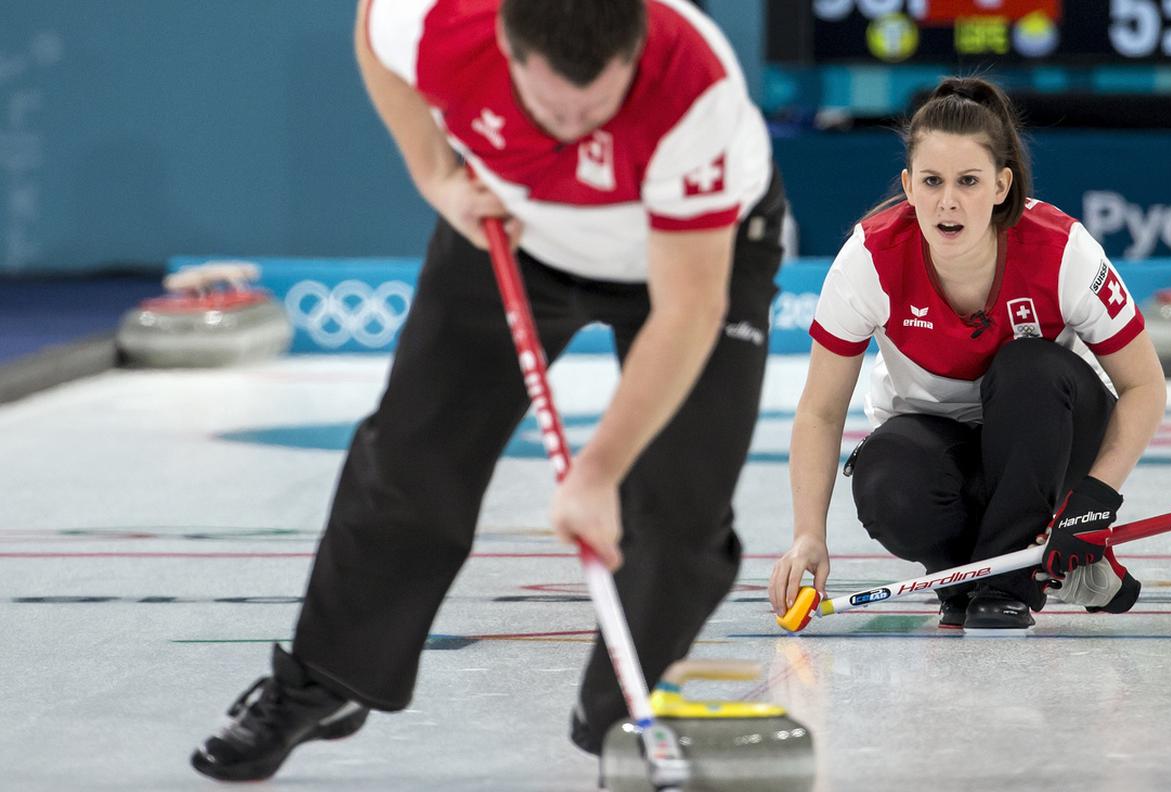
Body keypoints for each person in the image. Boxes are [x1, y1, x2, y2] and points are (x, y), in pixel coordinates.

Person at [191, 0, 786, 781]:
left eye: (595, 107)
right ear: (506, 44)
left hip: (685, 261)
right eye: (549, 107)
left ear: (635, 48)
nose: (572, 128)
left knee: (680, 509)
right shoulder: (440, 20)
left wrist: (596, 473)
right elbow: (374, 34)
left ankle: (618, 722)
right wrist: (437, 178)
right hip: (511, 228)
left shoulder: (693, 84)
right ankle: (327, 684)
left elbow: (688, 309)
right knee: (411, 457)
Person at [768, 76, 1166, 633]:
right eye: (931, 181)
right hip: (942, 449)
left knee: (1027, 365)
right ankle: (972, 576)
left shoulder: (1063, 249)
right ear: (908, 187)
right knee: (886, 483)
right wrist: (809, 534)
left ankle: (1006, 585)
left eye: (969, 181)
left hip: (1050, 439)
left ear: (1002, 186)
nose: (948, 201)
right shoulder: (869, 257)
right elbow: (820, 411)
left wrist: (1096, 498)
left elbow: (1146, 386)